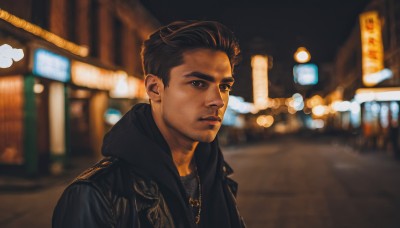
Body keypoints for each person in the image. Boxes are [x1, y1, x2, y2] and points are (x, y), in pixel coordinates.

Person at [52, 20, 245, 228]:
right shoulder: (96, 194)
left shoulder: (214, 173)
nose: (217, 100)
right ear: (155, 88)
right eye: (198, 83)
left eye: (224, 86)